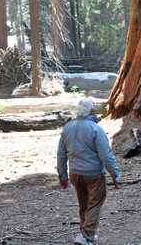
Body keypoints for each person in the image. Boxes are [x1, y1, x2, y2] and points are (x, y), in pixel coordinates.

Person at [57, 98, 121, 245]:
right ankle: (85, 237)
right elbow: (105, 154)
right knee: (95, 203)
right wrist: (115, 174)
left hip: (75, 173)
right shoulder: (95, 128)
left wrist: (63, 174)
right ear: (92, 112)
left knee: (84, 203)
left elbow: (61, 153)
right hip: (94, 174)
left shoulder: (67, 127)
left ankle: (86, 233)